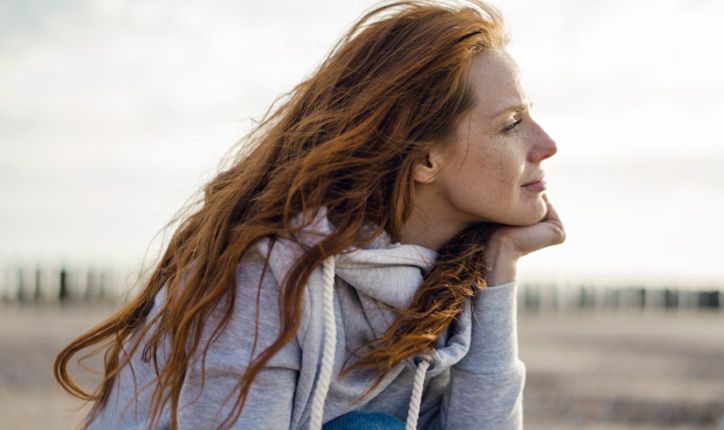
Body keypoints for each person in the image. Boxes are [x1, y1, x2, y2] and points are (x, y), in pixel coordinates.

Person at [54, 0, 565, 429]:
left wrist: (501, 272)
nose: (546, 144)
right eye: (511, 124)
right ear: (425, 158)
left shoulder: (452, 272)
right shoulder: (267, 272)